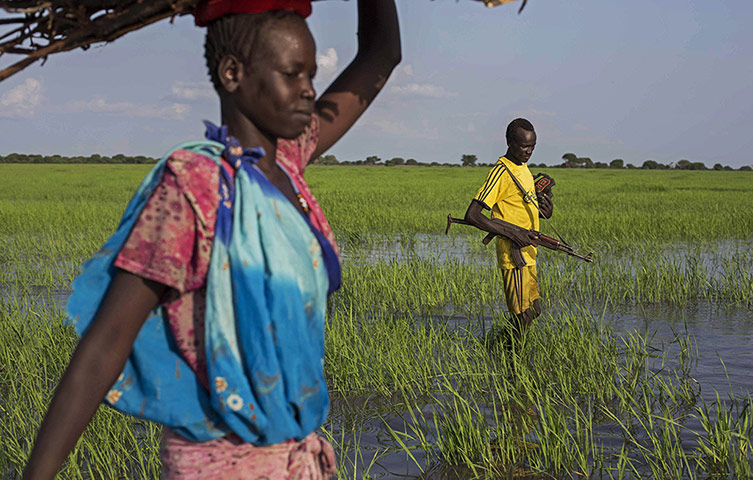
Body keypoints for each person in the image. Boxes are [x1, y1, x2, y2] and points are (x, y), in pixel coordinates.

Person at [22, 1, 400, 478]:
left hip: (297, 455)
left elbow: (382, 55)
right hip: (220, 464)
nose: (309, 90)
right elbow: (105, 344)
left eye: (311, 74)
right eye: (292, 74)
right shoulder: (193, 188)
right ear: (232, 72)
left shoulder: (288, 163)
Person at [463, 118, 553, 339]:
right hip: (514, 254)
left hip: (530, 252)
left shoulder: (523, 169)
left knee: (533, 311)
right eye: (524, 146)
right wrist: (514, 233)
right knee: (522, 315)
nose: (529, 151)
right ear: (509, 142)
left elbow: (524, 208)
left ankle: (497, 348)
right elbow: (472, 215)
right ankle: (513, 364)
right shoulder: (501, 172)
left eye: (533, 146)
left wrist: (546, 211)